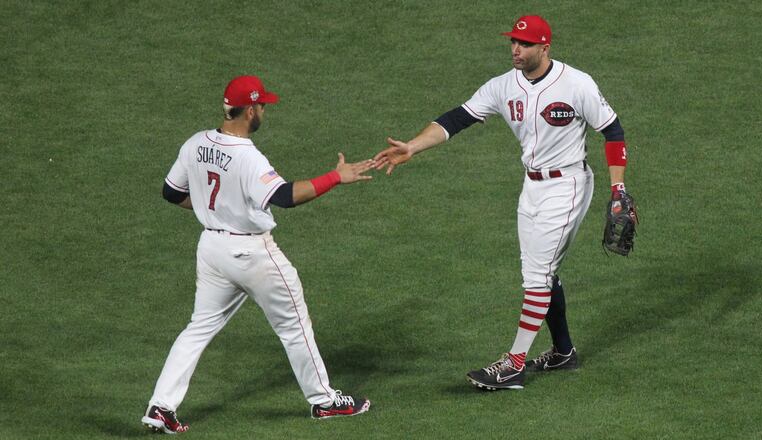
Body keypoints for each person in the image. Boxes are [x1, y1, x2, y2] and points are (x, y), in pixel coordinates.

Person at [374, 15, 636, 390]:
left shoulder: (577, 84)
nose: (516, 49)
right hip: (531, 188)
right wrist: (412, 147)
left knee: (537, 278)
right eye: (513, 41)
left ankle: (513, 364)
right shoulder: (502, 86)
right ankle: (563, 353)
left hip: (568, 186)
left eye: (525, 44)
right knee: (541, 275)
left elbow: (612, 130)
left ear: (545, 47)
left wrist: (618, 189)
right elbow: (456, 118)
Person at [142, 75, 373, 434]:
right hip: (251, 253)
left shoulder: (195, 143)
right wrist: (335, 177)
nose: (264, 110)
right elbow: (286, 197)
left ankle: (161, 407)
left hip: (212, 249)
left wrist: (210, 210)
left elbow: (171, 193)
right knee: (294, 326)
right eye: (262, 105)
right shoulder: (248, 158)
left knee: (198, 328)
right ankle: (324, 401)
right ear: (250, 110)